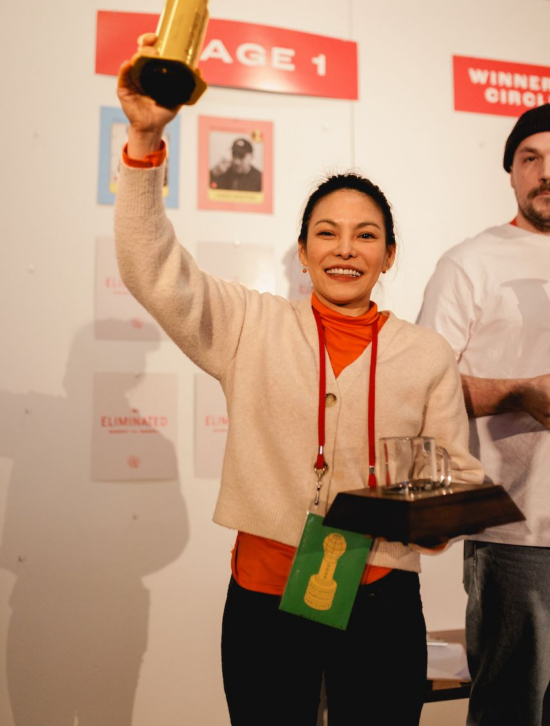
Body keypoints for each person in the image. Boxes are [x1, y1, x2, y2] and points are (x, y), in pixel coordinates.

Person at [115, 35, 484, 726]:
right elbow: (151, 268)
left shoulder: (427, 353)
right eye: (327, 232)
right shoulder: (249, 325)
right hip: (262, 597)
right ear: (304, 250)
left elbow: (455, 476)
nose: (346, 248)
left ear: (390, 255)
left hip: (381, 599)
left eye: (366, 235)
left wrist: (437, 518)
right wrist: (142, 146)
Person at [417, 103, 550, 726]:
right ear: (511, 173)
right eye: (532, 159)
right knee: (512, 709)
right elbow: (419, 386)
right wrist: (522, 392)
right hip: (518, 535)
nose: (546, 172)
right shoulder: (471, 262)